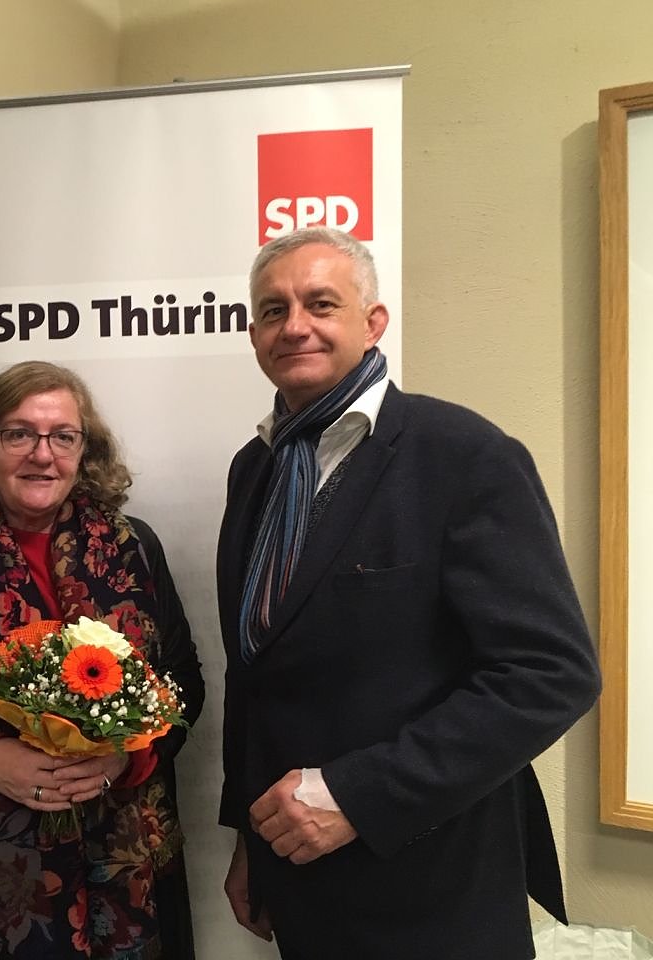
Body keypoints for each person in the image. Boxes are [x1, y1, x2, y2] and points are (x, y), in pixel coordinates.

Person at [216, 227, 602, 959]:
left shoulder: (463, 455)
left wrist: (357, 796)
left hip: (433, 880)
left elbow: (551, 674)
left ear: (373, 322)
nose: (294, 325)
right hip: (299, 872)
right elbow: (256, 675)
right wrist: (249, 842)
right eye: (272, 310)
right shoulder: (255, 468)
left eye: (320, 303)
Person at [0, 360, 204, 959]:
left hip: (126, 863)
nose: (42, 455)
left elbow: (182, 682)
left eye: (62, 436)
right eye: (18, 433)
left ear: (85, 450)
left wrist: (125, 758)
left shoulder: (134, 547)